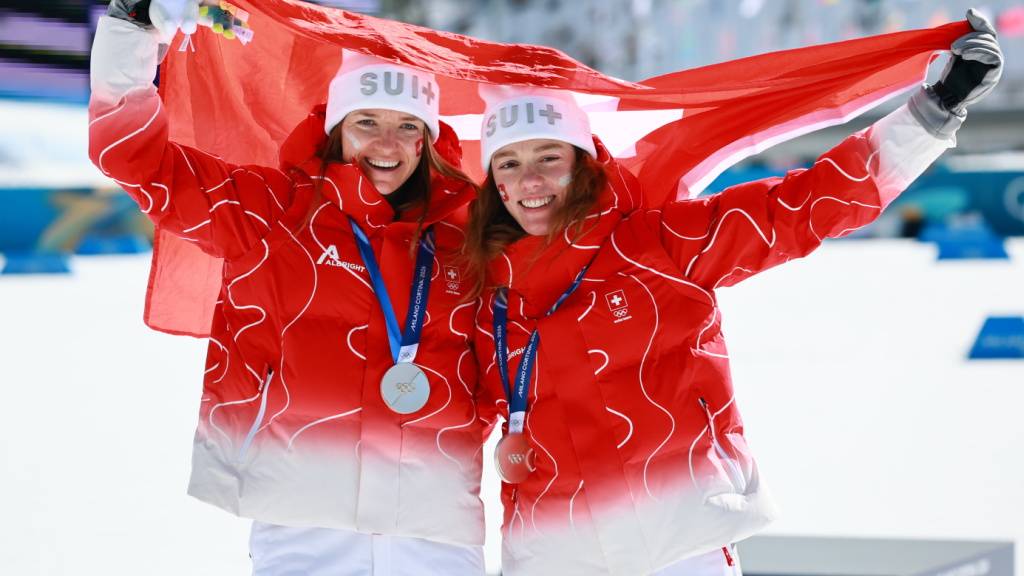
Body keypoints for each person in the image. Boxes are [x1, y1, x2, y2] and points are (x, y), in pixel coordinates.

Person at [463, 10, 1002, 576]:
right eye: (510, 162)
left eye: (550, 158)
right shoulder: (482, 294)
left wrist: (933, 113)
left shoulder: (661, 244)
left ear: (585, 165)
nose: (530, 181)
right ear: (492, 180)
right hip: (551, 552)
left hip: (682, 537)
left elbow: (804, 208)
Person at [89, 1, 489, 573]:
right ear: (335, 130)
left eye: (407, 126)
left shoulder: (470, 238)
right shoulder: (272, 211)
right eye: (366, 122)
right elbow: (136, 160)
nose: (387, 143)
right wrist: (131, 29)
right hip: (302, 514)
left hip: (436, 524)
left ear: (427, 139)